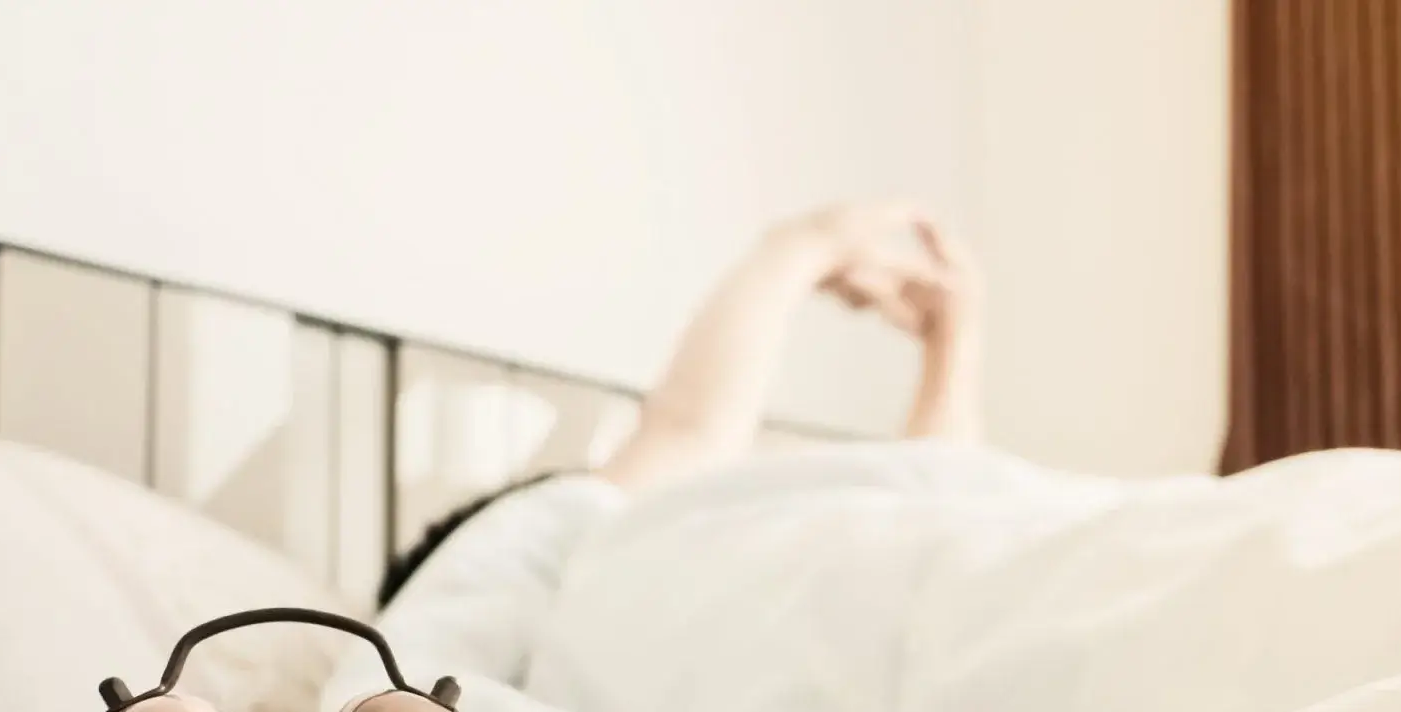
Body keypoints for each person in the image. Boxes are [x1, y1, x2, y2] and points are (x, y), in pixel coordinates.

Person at [380, 202, 983, 604]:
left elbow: (930, 512)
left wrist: (947, 337)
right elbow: (693, 430)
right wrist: (804, 245)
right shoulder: (514, 563)